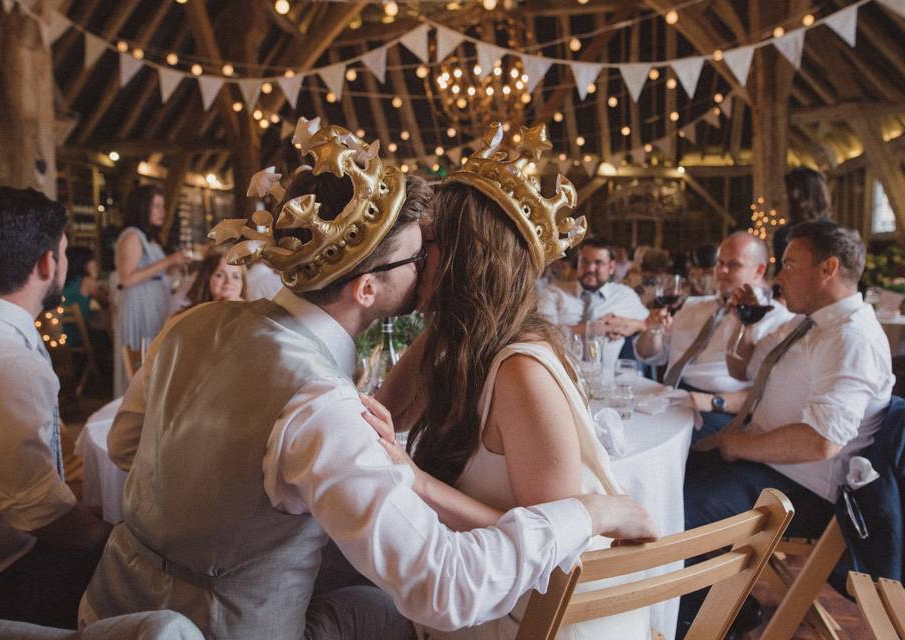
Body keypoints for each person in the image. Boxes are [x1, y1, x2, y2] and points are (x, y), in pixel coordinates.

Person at [82, 120, 656, 640]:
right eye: (418, 254)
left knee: (366, 589)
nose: (429, 263)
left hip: (108, 610)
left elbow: (125, 445)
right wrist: (595, 511)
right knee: (385, 605)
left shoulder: (194, 323)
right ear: (366, 289)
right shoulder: (321, 405)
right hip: (228, 629)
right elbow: (445, 590)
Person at [367, 124, 653, 639]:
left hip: (542, 618)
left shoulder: (520, 370)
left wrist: (417, 482)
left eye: (424, 244)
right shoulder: (453, 342)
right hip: (495, 590)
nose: (411, 257)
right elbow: (379, 422)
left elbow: (553, 539)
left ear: (462, 259)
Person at [678, 221, 894, 636]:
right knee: (666, 474)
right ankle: (731, 612)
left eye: (790, 265)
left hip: (802, 488)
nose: (779, 276)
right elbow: (745, 369)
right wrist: (744, 324)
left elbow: (822, 441)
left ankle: (696, 624)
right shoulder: (806, 323)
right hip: (767, 466)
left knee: (680, 512)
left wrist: (738, 446)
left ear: (828, 268)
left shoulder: (852, 338)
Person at [0, 187, 111, 628]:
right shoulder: (2, 357)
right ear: (46, 263)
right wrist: (111, 536)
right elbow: (39, 511)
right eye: (63, 252)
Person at [634, 232, 793, 440]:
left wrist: (711, 402)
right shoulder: (692, 305)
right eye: (719, 262)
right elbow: (651, 356)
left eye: (734, 265)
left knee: (645, 438)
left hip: (716, 409)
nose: (721, 271)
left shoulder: (776, 320)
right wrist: (653, 330)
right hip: (668, 397)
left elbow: (767, 393)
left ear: (759, 270)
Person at [112, 185, 188, 396]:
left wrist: (176, 264)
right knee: (144, 357)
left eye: (162, 206)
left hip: (154, 301)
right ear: (142, 208)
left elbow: (157, 274)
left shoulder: (150, 238)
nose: (161, 212)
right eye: (156, 206)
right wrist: (168, 260)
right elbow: (127, 278)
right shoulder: (132, 236)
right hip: (139, 305)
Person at [540, 237, 650, 367]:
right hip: (561, 375)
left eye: (599, 263)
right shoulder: (554, 293)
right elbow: (541, 336)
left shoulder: (624, 295)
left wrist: (632, 325)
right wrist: (597, 328)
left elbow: (649, 324)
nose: (590, 268)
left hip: (607, 380)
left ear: (611, 267)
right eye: (584, 262)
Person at [772, 167, 831, 274]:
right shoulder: (836, 233)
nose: (785, 197)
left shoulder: (784, 235)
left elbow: (781, 278)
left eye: (788, 191)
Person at [168, 250, 247, 316]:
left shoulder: (253, 316)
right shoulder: (184, 317)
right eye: (219, 275)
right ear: (206, 279)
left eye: (236, 277)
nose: (229, 282)